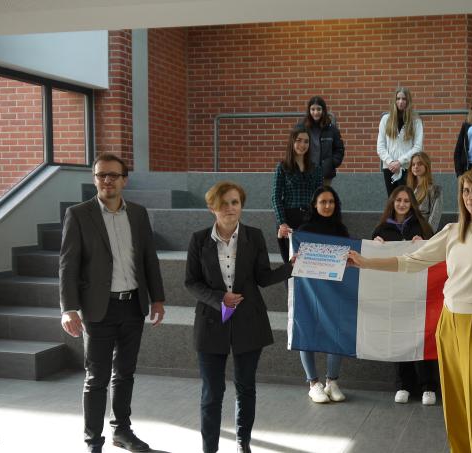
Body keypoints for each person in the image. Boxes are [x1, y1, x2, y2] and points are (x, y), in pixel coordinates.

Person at [348, 168, 472, 453]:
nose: (470, 197)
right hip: (449, 322)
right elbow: (412, 261)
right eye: (466, 191)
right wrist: (366, 263)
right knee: (454, 402)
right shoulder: (453, 231)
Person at [59, 152, 166, 453]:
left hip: (133, 305)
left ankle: (122, 431)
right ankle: (93, 441)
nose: (106, 180)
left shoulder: (138, 213)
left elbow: (148, 259)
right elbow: (68, 265)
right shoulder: (79, 214)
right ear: (95, 179)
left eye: (113, 175)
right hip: (97, 309)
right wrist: (68, 308)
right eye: (100, 175)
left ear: (124, 180)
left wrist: (157, 298)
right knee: (96, 379)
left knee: (125, 373)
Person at [186, 181, 292, 453]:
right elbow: (191, 283)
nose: (230, 208)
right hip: (211, 323)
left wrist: (290, 268)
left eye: (235, 202)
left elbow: (263, 277)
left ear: (241, 206)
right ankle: (209, 448)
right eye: (224, 203)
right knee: (212, 392)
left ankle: (243, 443)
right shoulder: (198, 239)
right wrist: (219, 298)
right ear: (212, 208)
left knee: (246, 388)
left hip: (248, 322)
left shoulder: (254, 236)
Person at [370, 186, 438, 406]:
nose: (401, 204)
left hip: (420, 294)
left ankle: (428, 386)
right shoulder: (380, 230)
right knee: (398, 338)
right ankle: (403, 385)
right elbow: (371, 264)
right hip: (394, 295)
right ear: (392, 202)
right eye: (398, 200)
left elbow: (437, 254)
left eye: (406, 201)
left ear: (412, 205)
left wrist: (425, 245)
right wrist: (375, 248)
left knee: (422, 337)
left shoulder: (423, 228)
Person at [284, 186, 350, 403]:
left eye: (331, 201)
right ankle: (313, 383)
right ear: (315, 204)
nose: (327, 205)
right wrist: (285, 238)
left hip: (334, 290)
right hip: (309, 290)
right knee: (307, 332)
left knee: (336, 333)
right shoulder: (304, 229)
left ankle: (332, 382)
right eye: (323, 202)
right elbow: (291, 259)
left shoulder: (341, 230)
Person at [272, 125, 323, 262]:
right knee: (290, 266)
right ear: (292, 142)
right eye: (299, 140)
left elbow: (320, 198)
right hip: (288, 220)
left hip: (309, 219)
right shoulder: (282, 167)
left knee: (309, 265)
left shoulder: (316, 169)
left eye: (306, 141)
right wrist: (282, 222)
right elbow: (275, 197)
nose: (302, 144)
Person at [376, 87, 424, 195]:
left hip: (407, 167)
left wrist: (400, 162)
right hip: (389, 168)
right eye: (398, 99)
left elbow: (417, 147)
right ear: (394, 100)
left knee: (407, 199)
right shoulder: (386, 120)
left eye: (404, 99)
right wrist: (390, 162)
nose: (401, 102)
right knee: (392, 200)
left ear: (408, 101)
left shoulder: (416, 121)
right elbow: (380, 146)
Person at [299, 96, 345, 186]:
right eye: (313, 109)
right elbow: (294, 146)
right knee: (310, 199)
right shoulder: (301, 127)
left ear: (323, 110)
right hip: (306, 171)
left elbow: (339, 149)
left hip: (325, 173)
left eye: (319, 109)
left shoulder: (332, 129)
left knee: (324, 197)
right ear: (309, 110)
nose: (316, 112)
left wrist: (332, 163)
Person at [405, 151, 443, 233]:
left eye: (419, 164)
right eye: (413, 164)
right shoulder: (408, 190)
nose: (416, 167)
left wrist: (426, 234)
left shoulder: (435, 190)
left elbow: (435, 217)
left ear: (426, 166)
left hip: (422, 234)